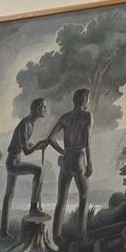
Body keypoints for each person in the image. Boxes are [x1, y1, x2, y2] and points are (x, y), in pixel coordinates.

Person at [46, 87, 93, 242]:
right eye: (88, 98)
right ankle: (81, 234)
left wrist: (63, 151)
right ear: (85, 100)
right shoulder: (87, 116)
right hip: (79, 157)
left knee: (61, 199)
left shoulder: (65, 117)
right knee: (84, 196)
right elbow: (87, 143)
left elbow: (51, 138)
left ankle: (56, 235)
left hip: (66, 159)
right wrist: (89, 163)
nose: (89, 101)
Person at [0, 98, 49, 237]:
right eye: (43, 107)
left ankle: (3, 230)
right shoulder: (25, 124)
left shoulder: (29, 123)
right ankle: (33, 208)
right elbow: (27, 151)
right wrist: (39, 144)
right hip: (14, 161)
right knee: (39, 170)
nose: (45, 110)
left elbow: (26, 145)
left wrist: (38, 145)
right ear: (36, 109)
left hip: (14, 159)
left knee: (9, 195)